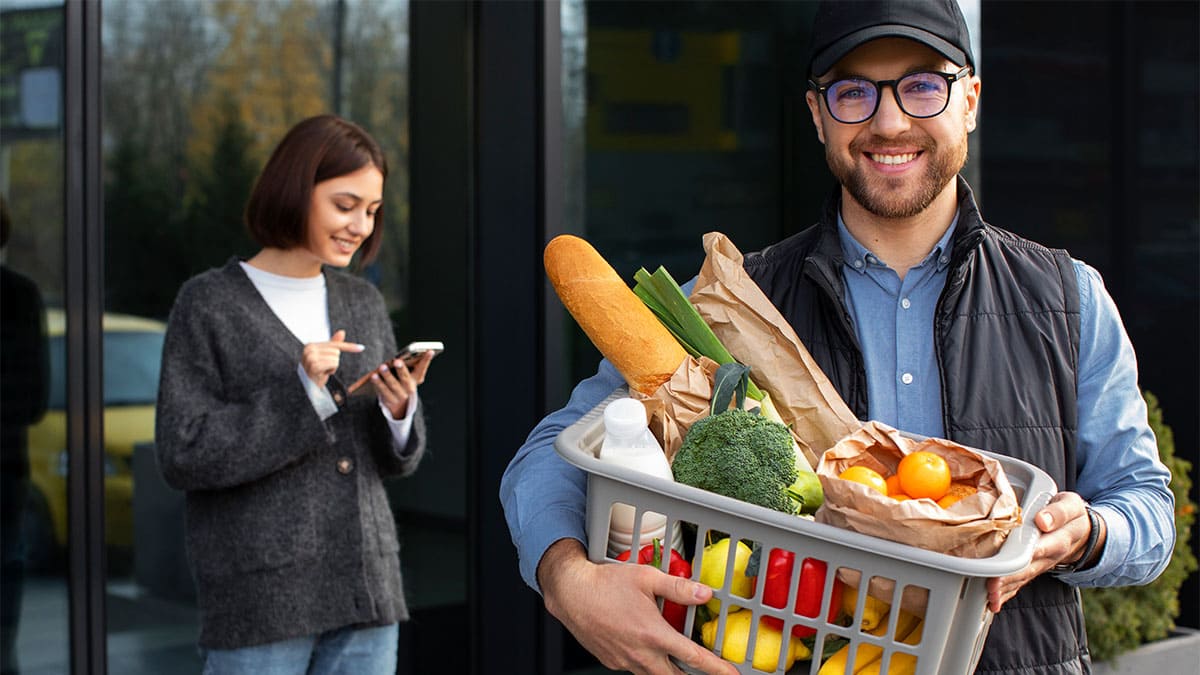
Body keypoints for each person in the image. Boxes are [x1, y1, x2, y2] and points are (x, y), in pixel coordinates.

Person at [499, 2, 1176, 674]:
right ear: (818, 114)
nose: (889, 121)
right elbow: (550, 454)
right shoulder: (738, 301)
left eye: (922, 84)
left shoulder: (1067, 298)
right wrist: (567, 579)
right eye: (853, 91)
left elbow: (1146, 507)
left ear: (969, 100)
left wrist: (1086, 533)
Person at [156, 114, 433, 674]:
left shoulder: (363, 302)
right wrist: (301, 394)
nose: (361, 225)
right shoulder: (208, 304)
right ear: (294, 190)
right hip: (261, 603)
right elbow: (182, 452)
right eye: (345, 204)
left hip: (366, 593)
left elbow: (391, 461)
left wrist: (400, 410)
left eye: (372, 211)